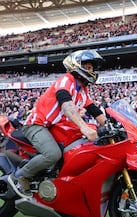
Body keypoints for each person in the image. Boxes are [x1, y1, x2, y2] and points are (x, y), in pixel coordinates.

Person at [8, 50, 107, 198]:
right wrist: (84, 127)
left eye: (92, 68)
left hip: (54, 127)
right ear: (76, 66)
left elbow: (95, 111)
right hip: (37, 124)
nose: (91, 71)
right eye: (88, 67)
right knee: (53, 154)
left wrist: (113, 125)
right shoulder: (66, 80)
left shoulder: (83, 91)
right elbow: (66, 104)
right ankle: (22, 177)